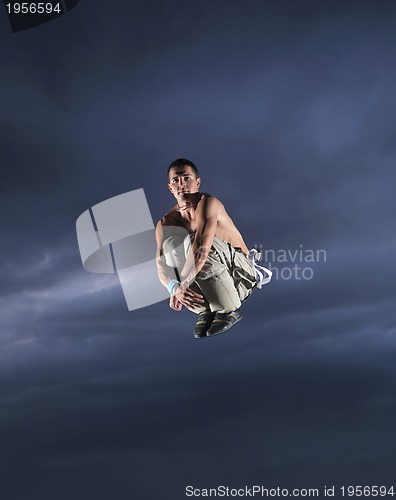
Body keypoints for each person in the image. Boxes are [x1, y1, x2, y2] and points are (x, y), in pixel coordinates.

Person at [155, 158, 268, 339]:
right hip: (206, 278)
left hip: (239, 276)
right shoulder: (165, 223)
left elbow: (201, 250)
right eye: (176, 180)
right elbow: (160, 265)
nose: (181, 184)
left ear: (197, 182)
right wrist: (174, 288)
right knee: (171, 246)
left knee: (194, 244)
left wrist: (183, 283)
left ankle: (228, 309)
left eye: (187, 178)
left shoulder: (208, 203)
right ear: (170, 187)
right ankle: (209, 309)